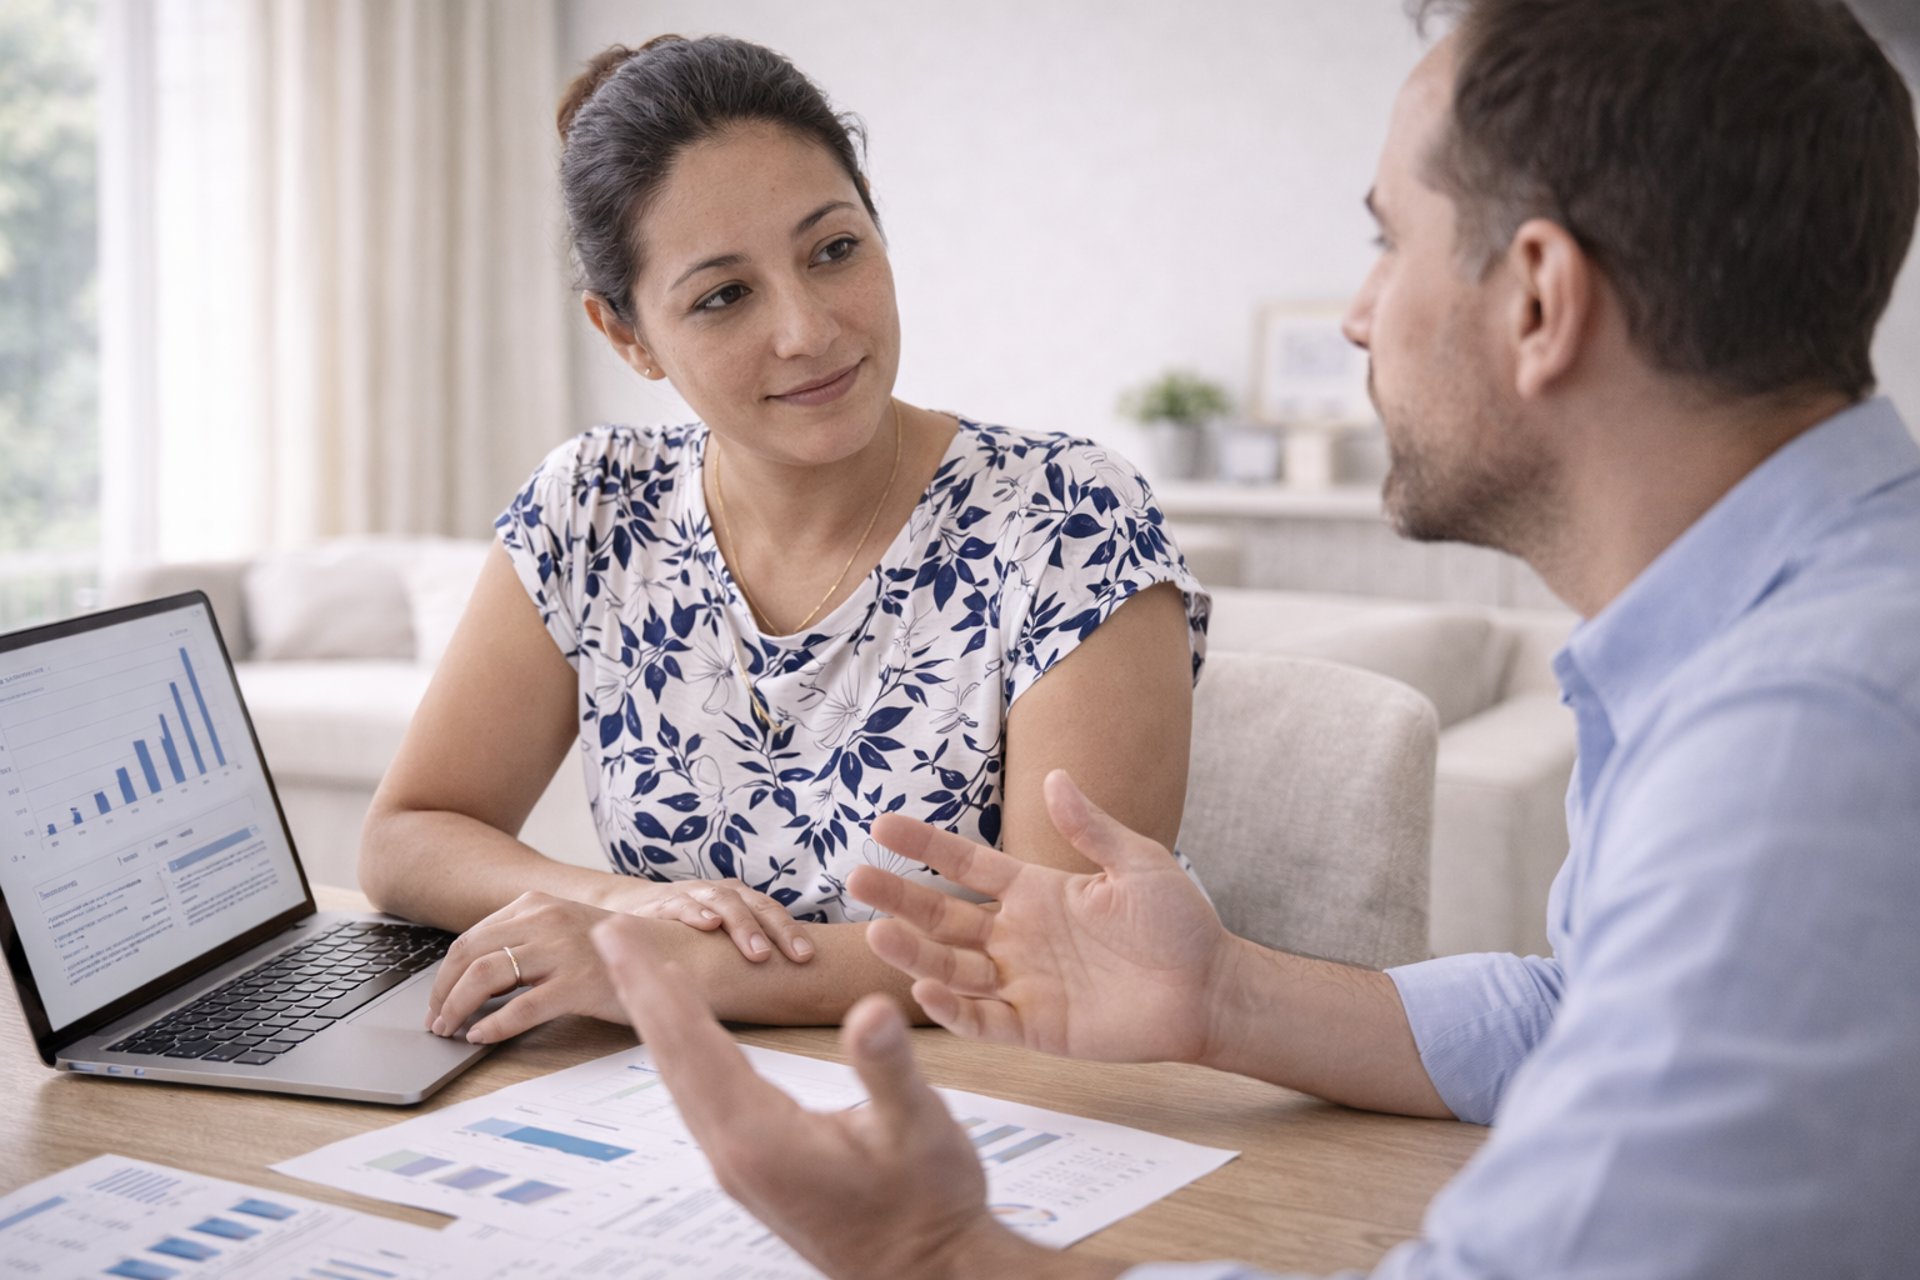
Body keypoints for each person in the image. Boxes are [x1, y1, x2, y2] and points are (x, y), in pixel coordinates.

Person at [587, 0, 1920, 1276]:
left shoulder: (1809, 746)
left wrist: (935, 1256)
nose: (1354, 314)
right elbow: (1585, 1022)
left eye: (1387, 240)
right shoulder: (1762, 637)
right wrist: (1221, 994)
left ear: (1537, 301)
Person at [356, 34, 1208, 1042]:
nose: (806, 328)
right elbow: (406, 838)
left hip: (997, 1109)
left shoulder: (1071, 521)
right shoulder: (591, 510)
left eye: (833, 249)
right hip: (662, 1113)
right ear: (627, 336)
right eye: (724, 295)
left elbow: (1057, 949)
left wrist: (676, 966)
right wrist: (624, 908)